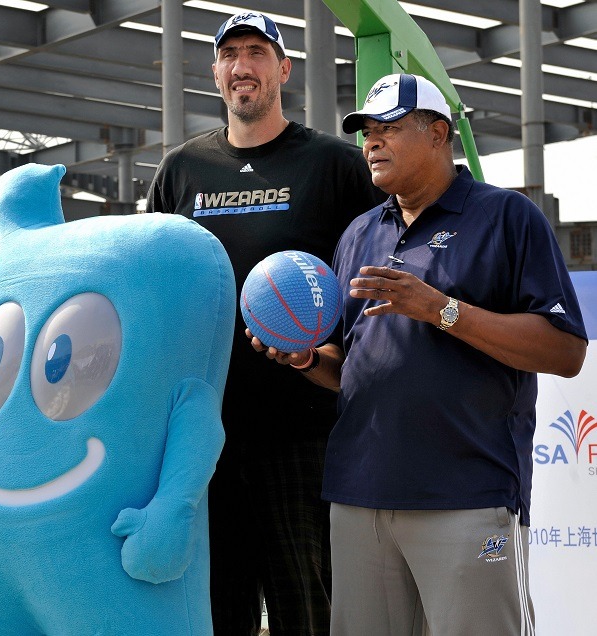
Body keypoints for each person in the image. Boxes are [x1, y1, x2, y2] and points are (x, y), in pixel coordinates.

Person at [253, 73, 588, 635]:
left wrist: (441, 309)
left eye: (389, 128)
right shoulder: (359, 232)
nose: (372, 143)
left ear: (438, 134)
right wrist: (309, 360)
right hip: (359, 497)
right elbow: (353, 367)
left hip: (465, 495)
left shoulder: (507, 217)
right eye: (366, 132)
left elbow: (566, 351)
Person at [146, 11, 384, 635]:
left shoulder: (334, 165)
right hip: (204, 436)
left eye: (257, 52)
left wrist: (326, 352)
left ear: (284, 69)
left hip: (304, 432)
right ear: (216, 72)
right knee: (213, 610)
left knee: (306, 609)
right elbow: (153, 286)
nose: (242, 66)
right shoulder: (182, 170)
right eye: (230, 54)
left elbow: (378, 278)